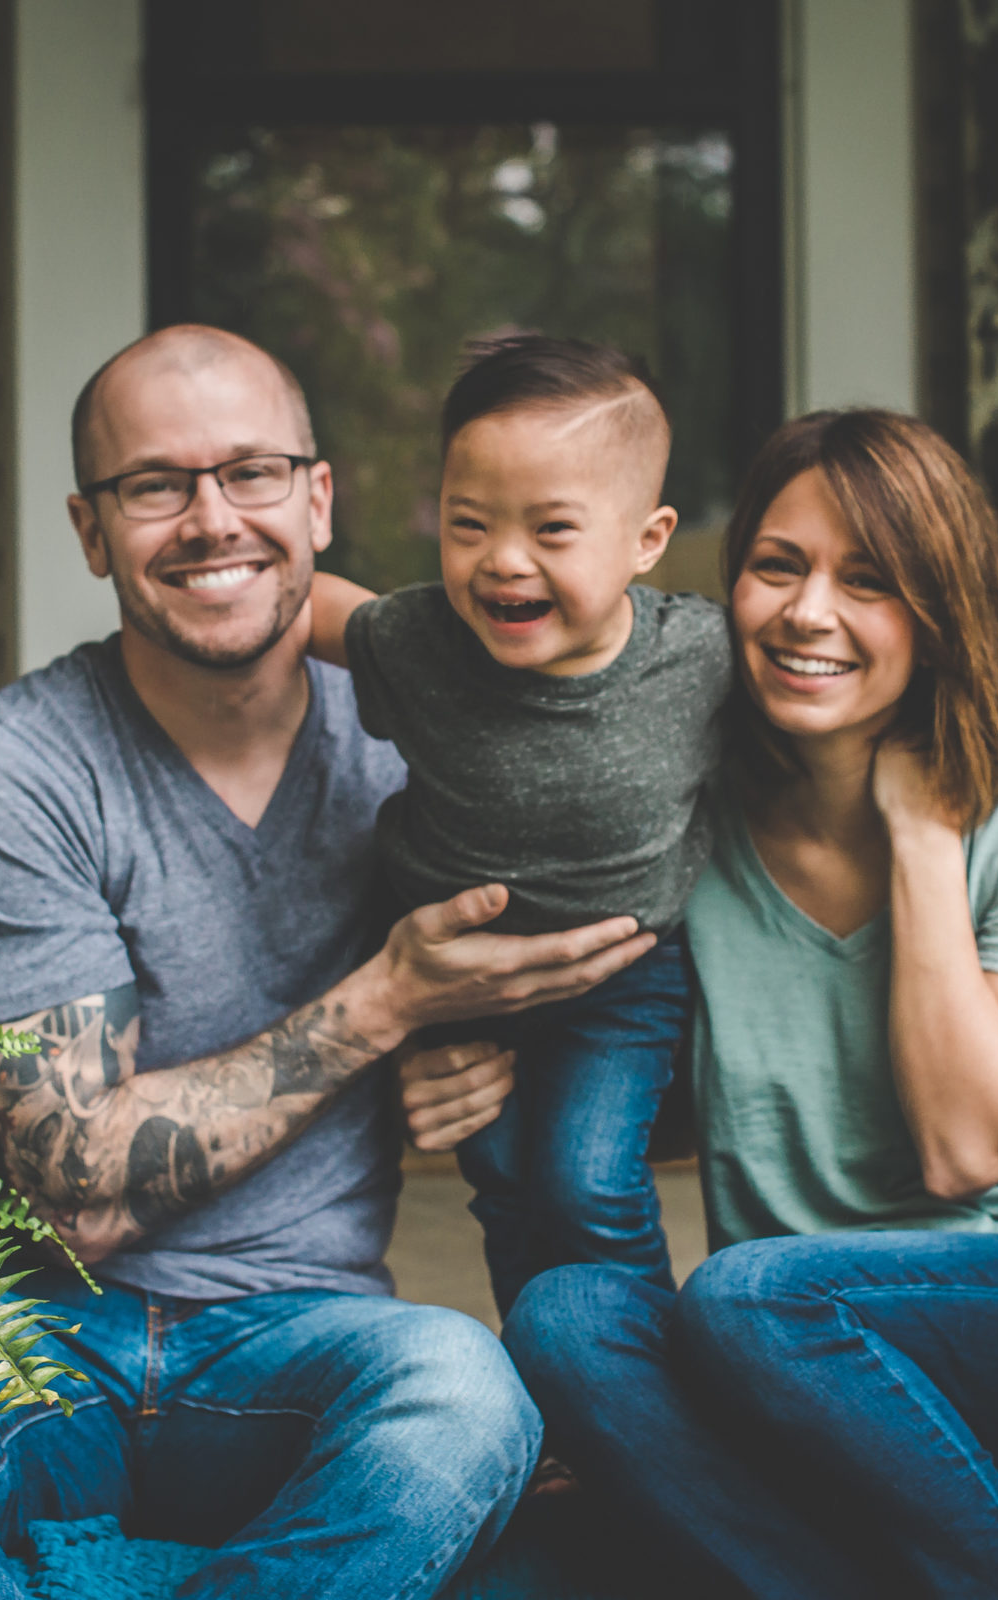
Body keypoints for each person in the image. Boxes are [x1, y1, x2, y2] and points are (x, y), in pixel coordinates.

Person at [0, 323, 654, 1599]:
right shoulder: (4, 778)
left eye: (253, 474)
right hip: (27, 1329)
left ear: (317, 498)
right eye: (154, 484)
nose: (211, 519)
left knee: (463, 1392)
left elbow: (592, 966)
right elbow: (74, 1197)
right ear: (89, 528)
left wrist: (479, 1049)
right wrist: (390, 1004)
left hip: (303, 1334)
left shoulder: (418, 749)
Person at [464, 409, 998, 1599]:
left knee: (752, 1287)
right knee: (565, 1318)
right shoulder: (687, 828)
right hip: (802, 1374)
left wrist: (921, 832)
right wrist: (464, 1062)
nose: (808, 612)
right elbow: (666, 1098)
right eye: (779, 566)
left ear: (942, 611)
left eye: (867, 581)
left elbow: (965, 1144)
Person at [308, 334, 729, 1316]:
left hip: (620, 979)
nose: (502, 562)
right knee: (502, 1182)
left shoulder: (700, 657)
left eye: (552, 529)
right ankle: (550, 1387)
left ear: (645, 540)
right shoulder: (420, 643)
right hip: (461, 981)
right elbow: (318, 610)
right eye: (468, 525)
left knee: (585, 1182)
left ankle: (634, 1381)